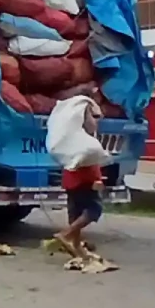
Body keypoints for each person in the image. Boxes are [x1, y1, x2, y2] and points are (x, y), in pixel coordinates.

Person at [55, 102, 105, 259]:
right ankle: (66, 234)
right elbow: (93, 125)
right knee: (93, 210)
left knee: (75, 212)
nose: (96, 119)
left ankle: (77, 249)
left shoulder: (67, 133)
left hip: (70, 176)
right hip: (85, 177)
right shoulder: (84, 132)